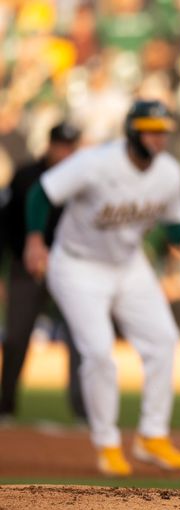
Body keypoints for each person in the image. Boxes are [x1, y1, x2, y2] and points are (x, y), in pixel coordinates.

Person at [23, 100, 180, 477]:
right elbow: (42, 192)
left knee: (163, 339)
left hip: (127, 264)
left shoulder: (168, 172)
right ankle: (107, 443)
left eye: (163, 132)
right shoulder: (95, 163)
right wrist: (35, 239)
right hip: (76, 265)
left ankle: (153, 436)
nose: (158, 139)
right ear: (133, 132)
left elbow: (175, 220)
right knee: (98, 352)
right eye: (151, 131)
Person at [1, 122, 87, 425]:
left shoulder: (82, 179)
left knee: (79, 340)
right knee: (16, 338)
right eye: (61, 145)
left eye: (70, 146)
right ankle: (5, 408)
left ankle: (83, 413)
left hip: (70, 267)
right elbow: (7, 224)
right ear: (50, 145)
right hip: (28, 267)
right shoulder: (26, 176)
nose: (65, 152)